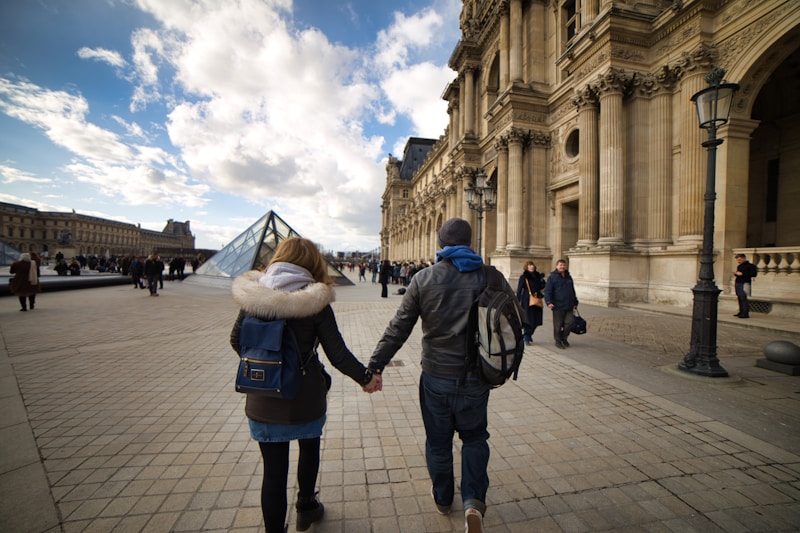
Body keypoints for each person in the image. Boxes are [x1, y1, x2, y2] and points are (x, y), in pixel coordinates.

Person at [368, 217, 513, 533]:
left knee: (438, 442)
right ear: (470, 242)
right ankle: (474, 502)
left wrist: (375, 366)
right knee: (475, 438)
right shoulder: (492, 276)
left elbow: (398, 328)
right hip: (477, 377)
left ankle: (444, 497)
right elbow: (514, 323)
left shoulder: (423, 279)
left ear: (441, 245)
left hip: (436, 377)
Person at [230, 237, 380, 533]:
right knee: (309, 449)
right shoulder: (315, 300)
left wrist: (267, 364)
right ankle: (306, 506)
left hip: (263, 395)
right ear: (311, 262)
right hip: (305, 394)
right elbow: (337, 353)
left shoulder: (254, 295)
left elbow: (237, 341)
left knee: (273, 472)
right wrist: (366, 378)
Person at [543, 259, 579, 349]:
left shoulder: (568, 276)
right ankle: (558, 340)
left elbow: (572, 290)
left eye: (563, 265)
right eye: (560, 265)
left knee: (569, 322)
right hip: (557, 305)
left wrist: (575, 301)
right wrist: (549, 302)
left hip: (569, 304)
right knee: (558, 324)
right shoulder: (552, 277)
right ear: (556, 266)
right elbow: (548, 291)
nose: (562, 267)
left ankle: (564, 337)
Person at [515, 260, 545, 345]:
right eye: (530, 265)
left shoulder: (538, 276)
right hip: (527, 300)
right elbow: (519, 289)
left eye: (532, 265)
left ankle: (529, 334)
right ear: (527, 267)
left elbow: (542, 287)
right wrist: (518, 301)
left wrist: (542, 280)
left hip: (537, 299)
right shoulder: (524, 277)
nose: (531, 266)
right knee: (528, 320)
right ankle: (527, 336)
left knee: (537, 320)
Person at [733, 253, 758, 319]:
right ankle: (741, 311)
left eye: (740, 259)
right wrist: (736, 274)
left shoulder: (751, 266)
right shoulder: (739, 266)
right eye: (738, 260)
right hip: (738, 282)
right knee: (739, 297)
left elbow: (754, 274)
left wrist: (742, 274)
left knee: (743, 298)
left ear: (744, 258)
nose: (739, 261)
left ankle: (745, 313)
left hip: (745, 283)